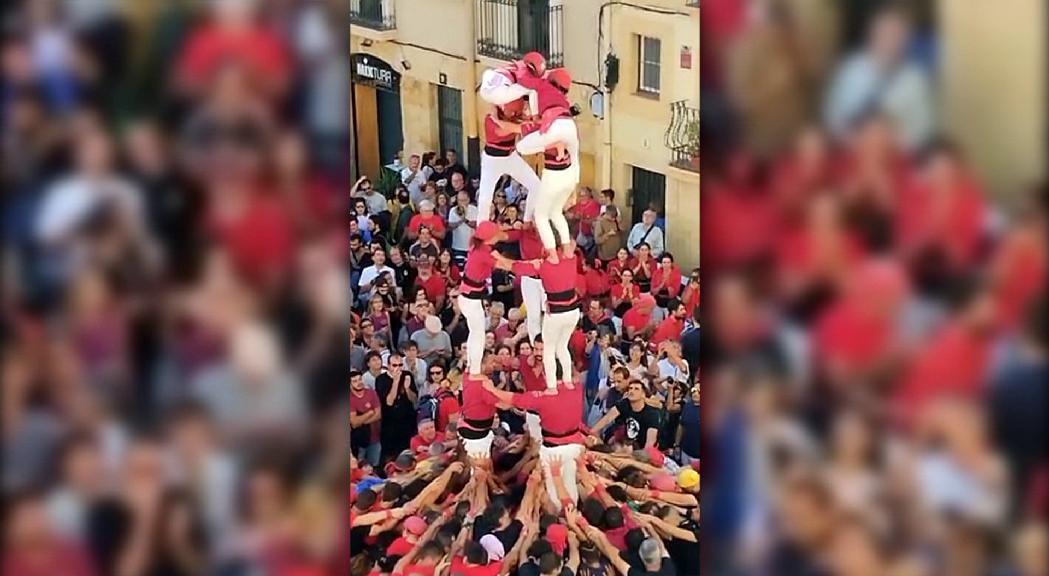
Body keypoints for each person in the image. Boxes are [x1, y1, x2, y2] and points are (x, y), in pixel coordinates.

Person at [499, 68, 580, 262]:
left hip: (553, 169)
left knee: (542, 215)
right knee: (555, 213)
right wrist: (574, 191)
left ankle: (552, 254)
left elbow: (530, 88)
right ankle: (567, 250)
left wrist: (533, 117)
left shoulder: (541, 87)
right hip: (569, 155)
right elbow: (576, 160)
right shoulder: (564, 105)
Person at [482, 374, 587, 509]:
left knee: (554, 492)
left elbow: (515, 399)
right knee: (569, 483)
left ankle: (561, 517)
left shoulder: (543, 398)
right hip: (574, 447)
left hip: (553, 451)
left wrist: (493, 390)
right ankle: (570, 514)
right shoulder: (577, 389)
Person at [459, 221, 535, 375]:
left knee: (476, 333)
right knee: (478, 335)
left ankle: (473, 366)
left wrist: (513, 228)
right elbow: (507, 266)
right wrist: (531, 266)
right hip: (471, 299)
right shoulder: (484, 254)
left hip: (469, 296)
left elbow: (500, 231)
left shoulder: (477, 245)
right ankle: (473, 369)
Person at [515, 242, 582, 390]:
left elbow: (516, 267)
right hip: (568, 311)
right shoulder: (568, 261)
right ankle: (565, 381)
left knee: (553, 349)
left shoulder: (549, 265)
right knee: (559, 346)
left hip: (559, 313)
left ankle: (554, 385)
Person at [477, 97, 543, 224]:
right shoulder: (490, 120)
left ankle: (527, 219)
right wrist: (528, 123)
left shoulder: (514, 117)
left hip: (511, 157)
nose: (514, 114)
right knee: (485, 198)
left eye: (515, 112)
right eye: (512, 112)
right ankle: (481, 229)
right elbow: (509, 129)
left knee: (536, 186)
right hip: (492, 161)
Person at [589, 381, 660, 450]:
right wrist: (591, 433)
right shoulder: (624, 403)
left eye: (636, 389)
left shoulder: (652, 414)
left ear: (643, 394)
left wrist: (642, 457)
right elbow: (607, 418)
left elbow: (650, 443)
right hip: (627, 445)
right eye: (630, 388)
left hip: (642, 449)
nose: (632, 391)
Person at [349, 371, 382, 467]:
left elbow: (378, 415)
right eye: (355, 381)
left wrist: (362, 421)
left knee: (375, 465)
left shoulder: (371, 393)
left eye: (360, 379)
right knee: (359, 466)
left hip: (375, 437)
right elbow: (354, 422)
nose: (359, 382)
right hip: (359, 441)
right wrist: (369, 413)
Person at [449, 190, 480, 263]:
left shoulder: (474, 209)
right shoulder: (453, 210)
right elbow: (450, 226)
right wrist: (460, 220)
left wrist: (465, 219)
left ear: (468, 199)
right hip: (457, 246)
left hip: (472, 246)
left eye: (464, 200)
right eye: (459, 200)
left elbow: (476, 225)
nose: (462, 202)